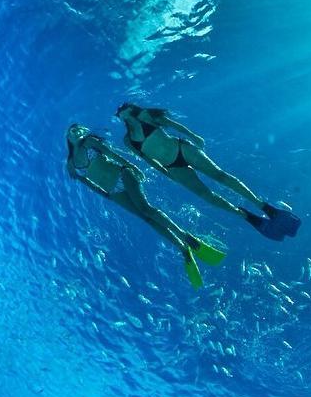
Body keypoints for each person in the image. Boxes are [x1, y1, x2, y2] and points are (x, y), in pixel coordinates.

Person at [65, 123, 225, 288]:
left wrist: (131, 166)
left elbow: (111, 154)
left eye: (79, 129)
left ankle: (187, 237)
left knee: (145, 208)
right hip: (113, 191)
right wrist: (105, 195)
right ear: (68, 138)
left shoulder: (89, 142)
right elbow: (86, 181)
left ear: (85, 131)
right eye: (72, 131)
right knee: (146, 219)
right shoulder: (70, 164)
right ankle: (183, 248)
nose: (76, 132)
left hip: (122, 174)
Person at [115, 104, 300, 241]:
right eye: (118, 112)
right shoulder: (128, 141)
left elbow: (174, 125)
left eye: (121, 108)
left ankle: (265, 207)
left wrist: (194, 137)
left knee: (220, 176)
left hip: (182, 149)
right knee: (207, 196)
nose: (118, 112)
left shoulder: (146, 116)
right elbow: (147, 159)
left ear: (129, 108)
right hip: (172, 166)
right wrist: (164, 172)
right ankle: (246, 216)